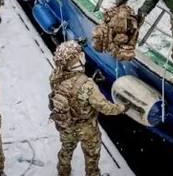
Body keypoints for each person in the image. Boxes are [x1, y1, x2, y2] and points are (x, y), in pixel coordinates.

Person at [49, 41, 127, 176]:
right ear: (75, 62)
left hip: (65, 123)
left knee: (66, 150)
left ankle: (63, 172)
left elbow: (70, 89)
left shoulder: (55, 76)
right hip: (86, 128)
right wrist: (123, 108)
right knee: (92, 155)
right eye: (80, 55)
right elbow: (106, 108)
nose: (83, 56)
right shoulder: (88, 86)